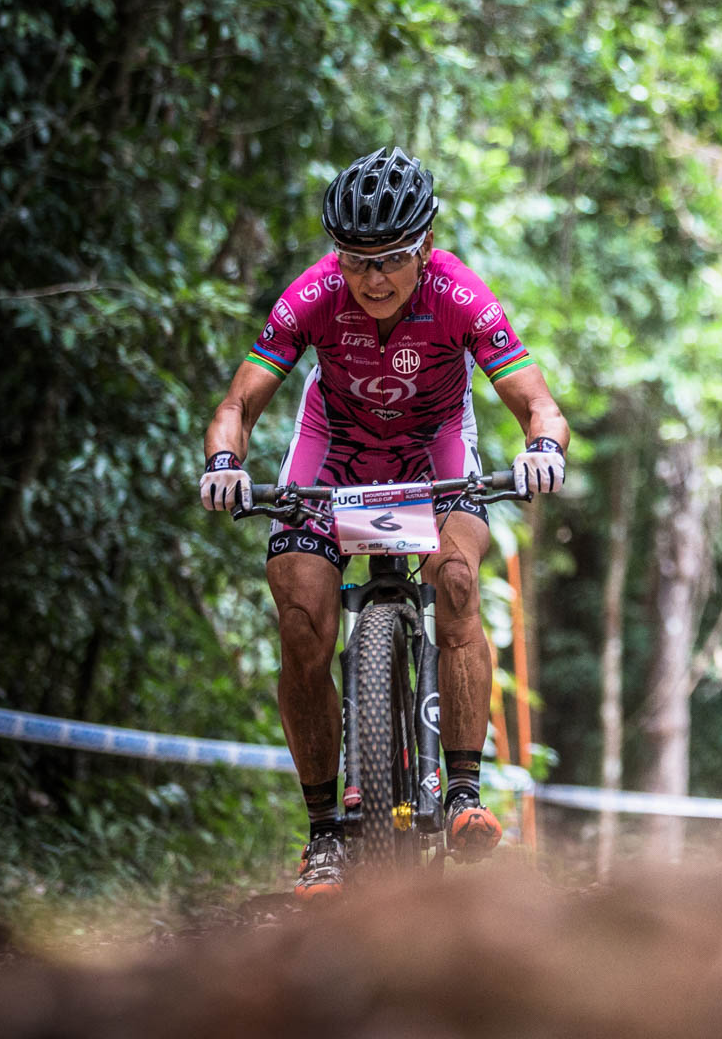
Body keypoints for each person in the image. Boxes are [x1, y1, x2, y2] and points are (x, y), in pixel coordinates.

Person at [197, 147, 570, 899]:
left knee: (458, 582)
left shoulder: (460, 295)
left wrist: (541, 450)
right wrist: (224, 465)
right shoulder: (313, 296)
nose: (372, 278)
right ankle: (324, 835)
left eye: (393, 258)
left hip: (433, 455)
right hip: (332, 455)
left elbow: (540, 404)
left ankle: (463, 793)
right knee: (302, 618)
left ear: (425, 247)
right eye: (356, 259)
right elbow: (237, 406)